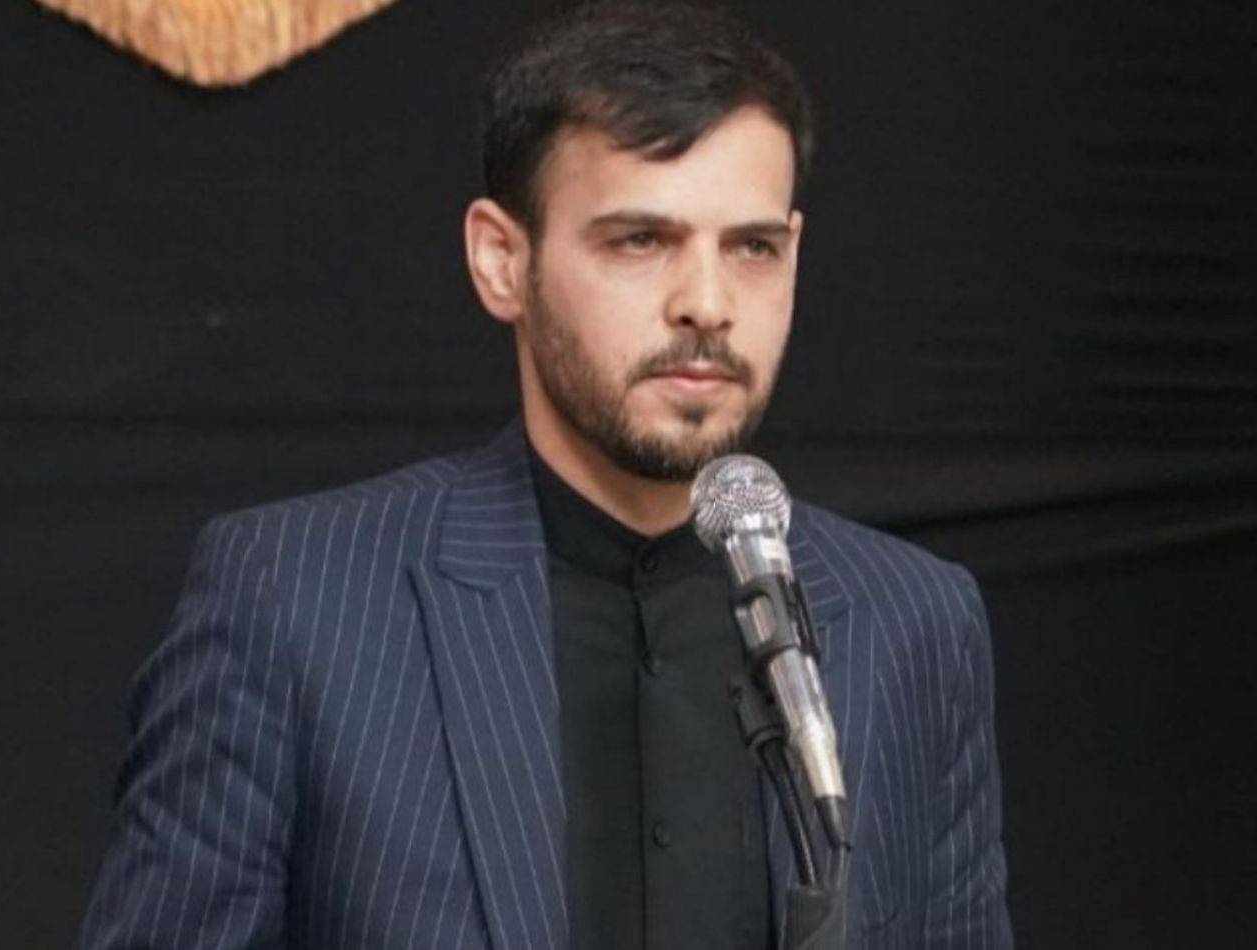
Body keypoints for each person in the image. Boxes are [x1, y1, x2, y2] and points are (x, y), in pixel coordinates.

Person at [79, 2, 1011, 948]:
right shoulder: (293, 600)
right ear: (501, 261)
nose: (708, 303)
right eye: (639, 240)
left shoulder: (914, 623)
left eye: (752, 247)